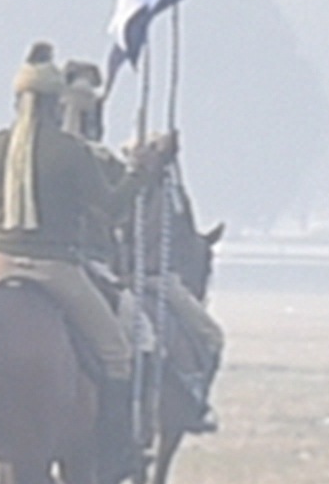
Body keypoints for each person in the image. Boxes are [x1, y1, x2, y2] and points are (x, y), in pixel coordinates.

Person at [0, 44, 157, 472]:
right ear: (55, 103)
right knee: (116, 354)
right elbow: (111, 210)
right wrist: (140, 174)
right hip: (56, 269)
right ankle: (115, 444)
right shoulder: (71, 151)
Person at [61, 60, 223, 434]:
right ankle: (190, 403)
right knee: (206, 336)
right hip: (147, 278)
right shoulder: (122, 178)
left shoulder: (159, 189)